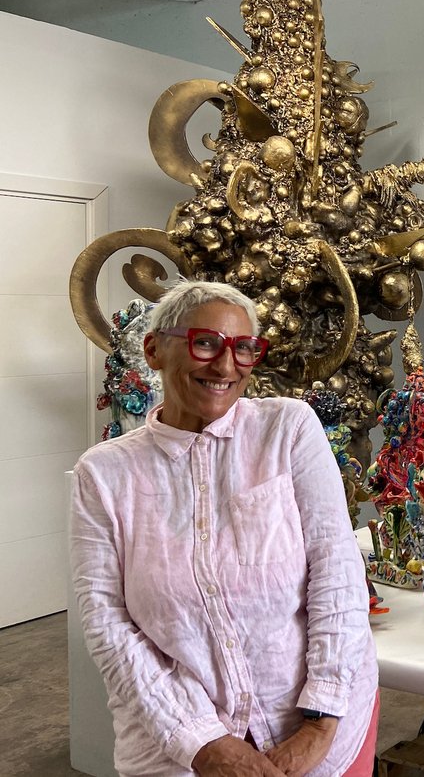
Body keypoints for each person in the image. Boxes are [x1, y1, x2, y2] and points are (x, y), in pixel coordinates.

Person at [70, 280, 379, 776]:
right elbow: (107, 623)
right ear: (153, 350)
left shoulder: (288, 429)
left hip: (318, 723)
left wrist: (320, 722)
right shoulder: (104, 474)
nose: (225, 365)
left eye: (244, 348)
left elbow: (336, 570)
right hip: (177, 742)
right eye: (206, 342)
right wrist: (202, 743)